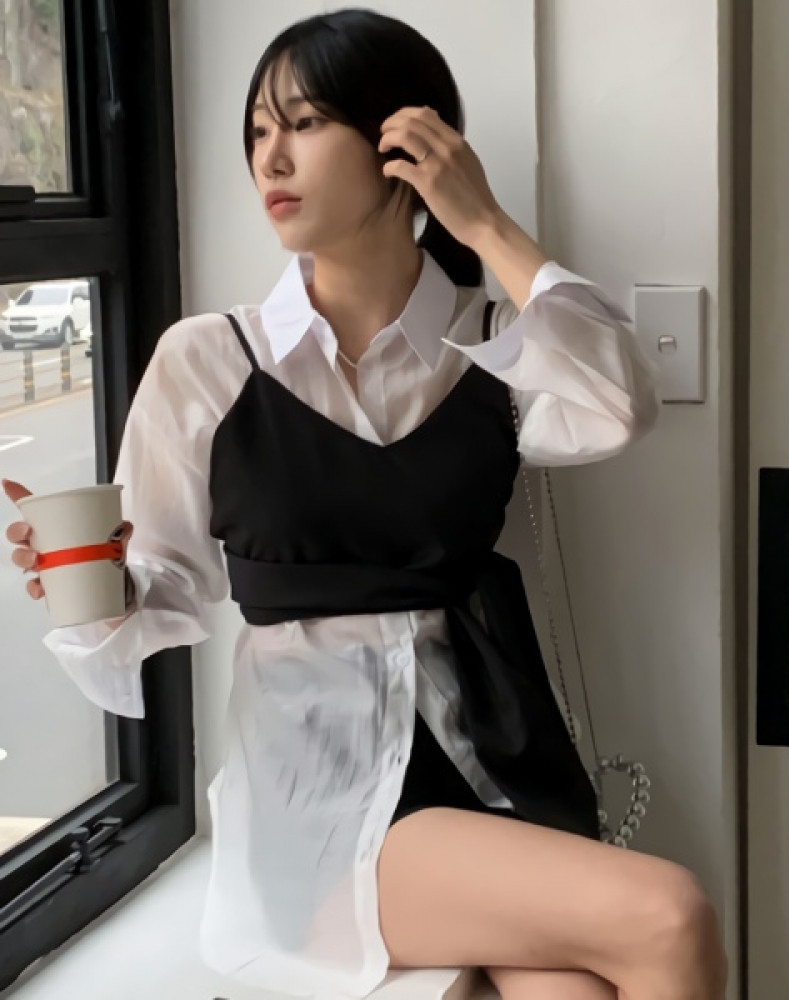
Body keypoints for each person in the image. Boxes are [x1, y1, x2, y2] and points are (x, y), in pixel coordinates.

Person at [3, 10, 725, 1000]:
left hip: (489, 764)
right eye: (258, 131)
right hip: (322, 801)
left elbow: (620, 404)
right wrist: (84, 581)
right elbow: (166, 582)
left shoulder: (493, 347)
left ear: (405, 144)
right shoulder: (210, 359)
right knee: (670, 912)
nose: (270, 158)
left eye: (302, 124)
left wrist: (483, 223)